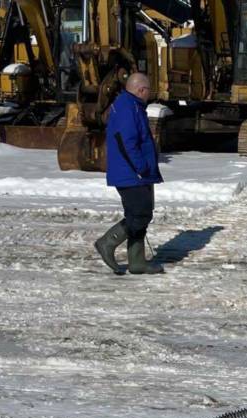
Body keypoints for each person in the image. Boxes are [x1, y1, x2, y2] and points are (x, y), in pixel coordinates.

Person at [94, 72, 164, 276]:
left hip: (136, 172)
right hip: (132, 173)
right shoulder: (127, 107)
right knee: (139, 215)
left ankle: (137, 262)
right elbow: (127, 142)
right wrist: (140, 168)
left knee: (141, 213)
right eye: (148, 90)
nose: (149, 94)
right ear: (141, 90)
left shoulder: (132, 105)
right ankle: (106, 243)